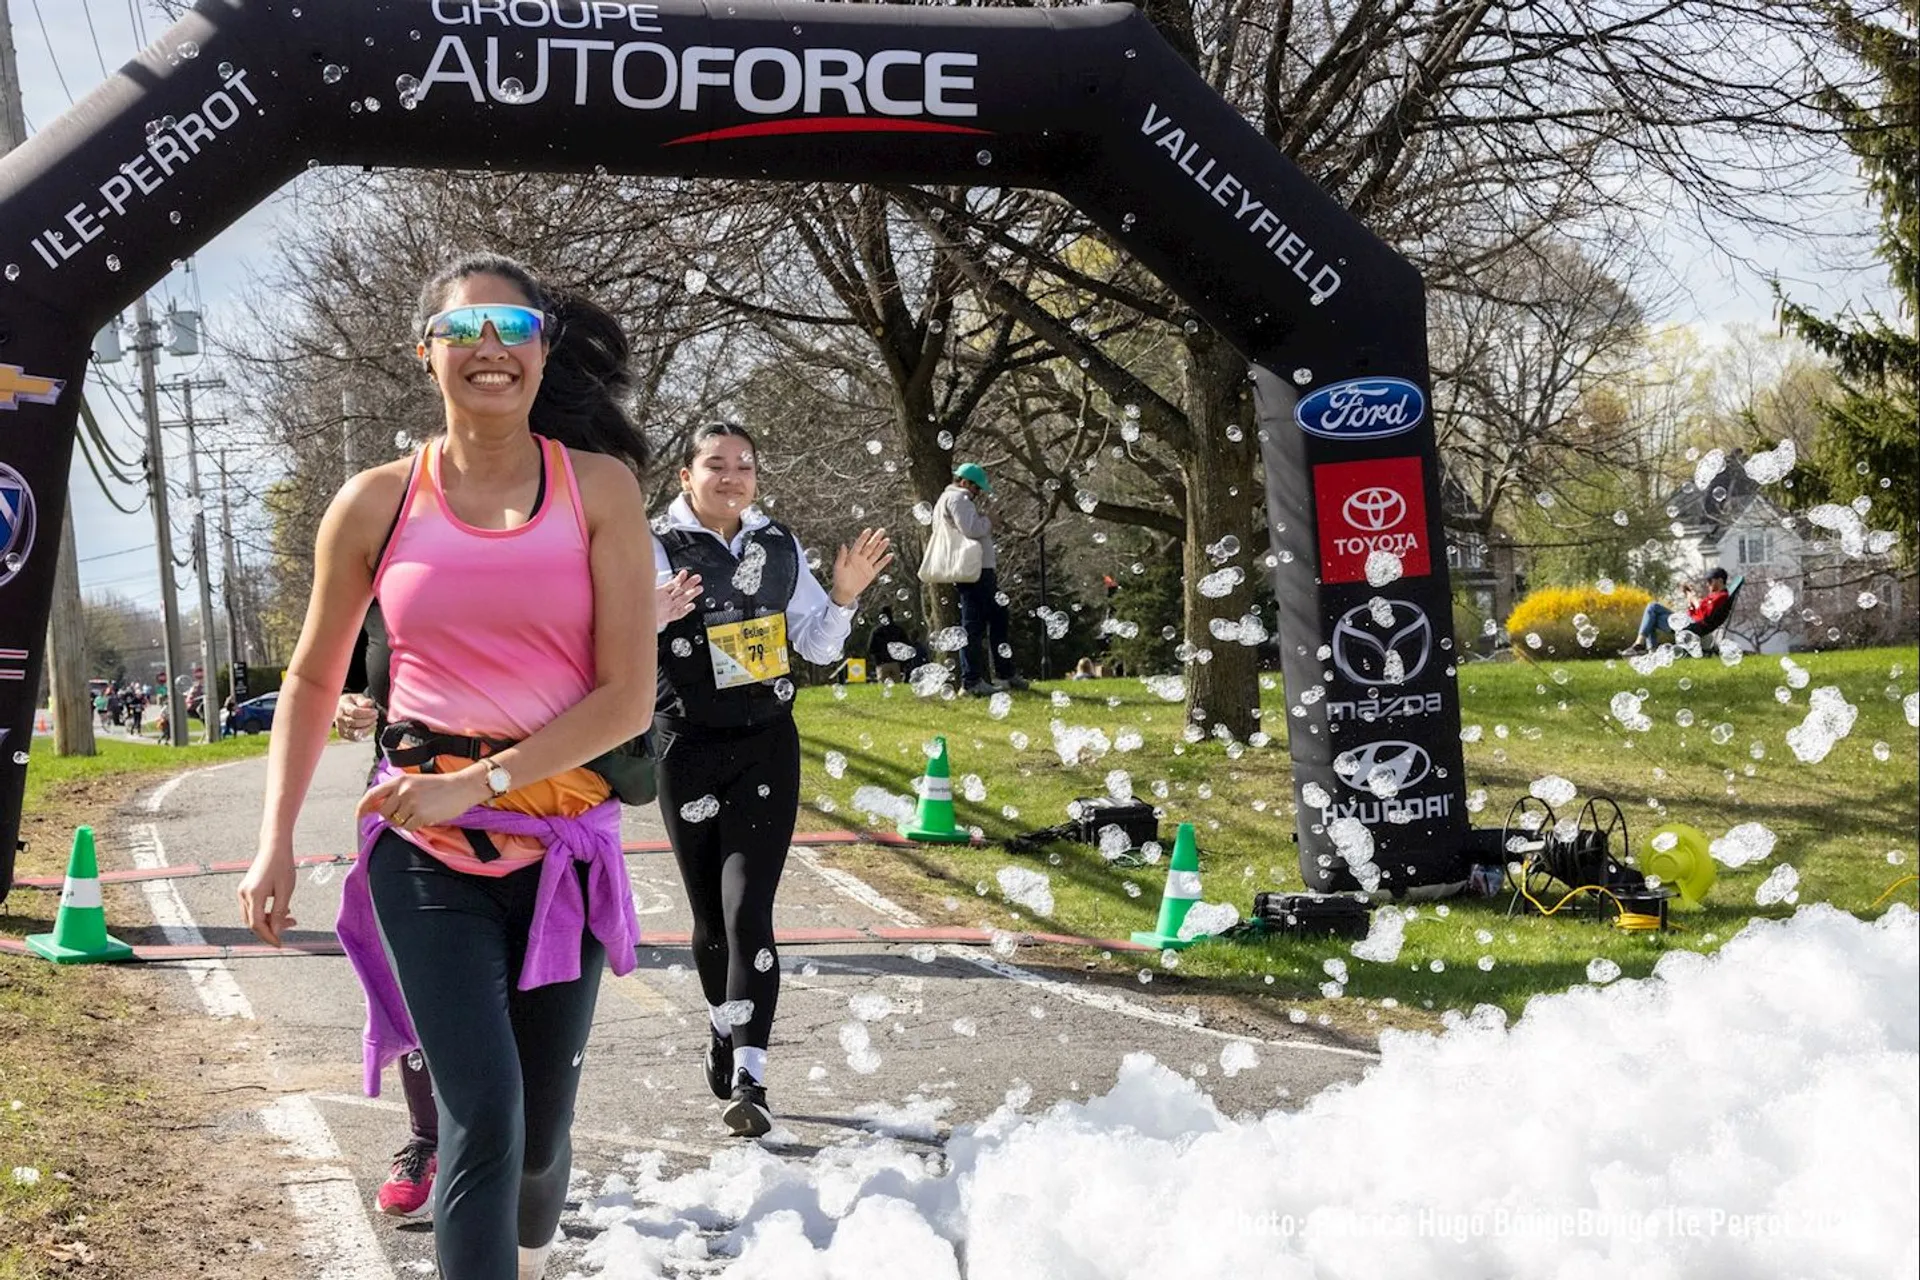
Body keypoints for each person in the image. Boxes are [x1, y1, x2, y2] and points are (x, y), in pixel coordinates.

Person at [237, 252, 656, 1280]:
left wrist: (483, 780)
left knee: (537, 1148)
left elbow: (626, 698)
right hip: (422, 854)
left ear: (541, 351)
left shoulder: (599, 489)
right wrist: (274, 840)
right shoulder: (375, 502)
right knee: (482, 1112)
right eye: (463, 332)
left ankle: (523, 1221)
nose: (488, 350)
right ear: (425, 352)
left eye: (511, 330)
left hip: (564, 856)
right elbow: (307, 676)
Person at [653, 422, 891, 1138]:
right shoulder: (652, 546)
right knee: (708, 922)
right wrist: (648, 615)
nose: (732, 477)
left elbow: (814, 643)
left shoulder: (778, 546)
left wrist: (844, 598)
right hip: (685, 744)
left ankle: (751, 1074)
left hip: (765, 744)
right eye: (715, 465)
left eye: (744, 465)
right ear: (685, 477)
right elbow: (599, 636)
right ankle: (725, 1030)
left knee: (748, 911)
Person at [931, 462, 1027, 696]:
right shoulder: (958, 499)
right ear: (964, 482)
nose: (977, 494)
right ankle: (972, 680)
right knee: (973, 627)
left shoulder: (951, 499)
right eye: (976, 488)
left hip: (976, 571)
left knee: (998, 618)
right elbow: (971, 529)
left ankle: (1004, 673)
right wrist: (989, 521)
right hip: (975, 572)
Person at [1622, 567, 1731, 655]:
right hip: (1689, 621)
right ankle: (1646, 647)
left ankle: (1644, 646)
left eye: (1710, 580)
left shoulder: (1722, 597)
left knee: (1652, 613)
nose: (1708, 584)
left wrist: (1694, 600)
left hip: (1693, 627)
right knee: (1652, 608)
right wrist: (1690, 599)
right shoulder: (1713, 596)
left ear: (1720, 580)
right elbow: (1695, 612)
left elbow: (1703, 617)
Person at [865, 606, 923, 682]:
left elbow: (871, 649)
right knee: (896, 687)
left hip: (882, 663)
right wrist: (903, 663)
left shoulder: (877, 631)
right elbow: (907, 646)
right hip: (895, 663)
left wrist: (878, 658)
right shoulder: (898, 629)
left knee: (883, 688)